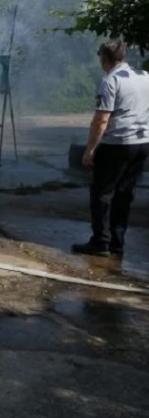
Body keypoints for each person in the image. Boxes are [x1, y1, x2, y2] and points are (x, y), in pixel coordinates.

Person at [72, 39, 149, 257]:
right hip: (142, 144)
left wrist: (90, 150)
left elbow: (101, 120)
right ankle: (117, 242)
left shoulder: (110, 81)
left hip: (117, 144)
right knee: (124, 194)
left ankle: (100, 242)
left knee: (101, 193)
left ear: (103, 58)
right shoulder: (144, 77)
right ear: (123, 56)